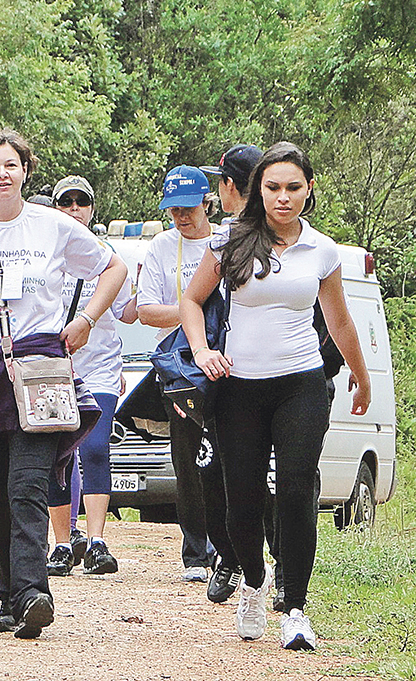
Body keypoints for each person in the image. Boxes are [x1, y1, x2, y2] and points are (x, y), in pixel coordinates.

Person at [180, 141, 371, 650]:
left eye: (293, 188)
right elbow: (192, 302)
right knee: (241, 499)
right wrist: (201, 351)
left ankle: (296, 608)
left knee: (294, 490)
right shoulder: (229, 241)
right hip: (239, 388)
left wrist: (361, 374)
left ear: (309, 191)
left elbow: (339, 319)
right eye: (272, 188)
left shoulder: (323, 249)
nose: (282, 197)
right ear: (257, 190)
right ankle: (252, 580)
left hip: (302, 384)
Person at [0, 130, 128, 638]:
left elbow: (113, 266)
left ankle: (32, 593)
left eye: (11, 164)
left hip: (42, 371)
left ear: (26, 171)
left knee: (28, 485)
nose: (3, 173)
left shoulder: (53, 225)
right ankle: (10, 594)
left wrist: (86, 318)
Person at [137, 166, 237, 589]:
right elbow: (145, 311)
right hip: (180, 367)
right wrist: (196, 310)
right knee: (187, 457)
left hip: (228, 363)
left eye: (188, 208)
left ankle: (228, 545)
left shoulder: (225, 242)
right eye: (173, 209)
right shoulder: (162, 246)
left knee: (228, 456)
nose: (181, 216)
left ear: (207, 203)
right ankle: (195, 549)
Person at [45, 175, 137, 578]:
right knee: (56, 456)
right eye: (66, 202)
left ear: (92, 209)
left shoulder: (108, 257)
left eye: (82, 202)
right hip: (53, 367)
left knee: (96, 447)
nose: (74, 209)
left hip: (99, 365)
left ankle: (98, 540)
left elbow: (128, 312)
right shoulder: (44, 255)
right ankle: (63, 542)